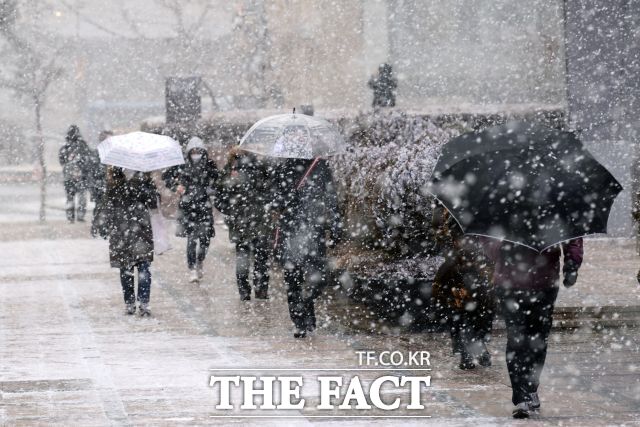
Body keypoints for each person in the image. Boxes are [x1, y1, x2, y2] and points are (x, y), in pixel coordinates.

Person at [485, 238, 583, 419]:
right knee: (516, 337)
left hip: (544, 283)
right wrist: (504, 247)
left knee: (538, 338)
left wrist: (571, 263)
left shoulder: (555, 210)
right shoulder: (506, 210)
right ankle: (520, 396)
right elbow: (489, 242)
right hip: (509, 284)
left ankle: (531, 387)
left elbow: (572, 237)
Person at [271, 157, 342, 338]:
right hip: (290, 231)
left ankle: (306, 306)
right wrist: (286, 198)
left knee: (317, 278)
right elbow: (273, 200)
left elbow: (331, 196)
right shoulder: (281, 167)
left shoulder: (319, 165)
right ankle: (299, 322)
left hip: (313, 230)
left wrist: (335, 226)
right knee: (292, 279)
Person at [432, 206, 495, 369]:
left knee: (479, 313)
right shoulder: (447, 208)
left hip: (480, 269)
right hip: (460, 269)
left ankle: (478, 348)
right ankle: (469, 352)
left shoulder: (483, 207)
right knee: (462, 315)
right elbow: (439, 233)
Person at [214, 149, 274, 300]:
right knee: (249, 256)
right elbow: (220, 196)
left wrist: (263, 202)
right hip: (243, 220)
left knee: (256, 256)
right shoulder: (231, 168)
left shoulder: (260, 166)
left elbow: (271, 189)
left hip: (257, 219)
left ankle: (254, 290)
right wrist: (231, 209)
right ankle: (249, 291)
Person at [103, 166, 159, 316]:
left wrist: (141, 187)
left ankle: (144, 303)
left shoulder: (145, 180)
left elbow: (154, 203)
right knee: (125, 269)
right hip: (122, 232)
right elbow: (108, 205)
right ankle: (129, 302)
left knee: (144, 268)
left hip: (141, 230)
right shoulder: (114, 182)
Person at [163, 137, 218, 282]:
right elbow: (167, 178)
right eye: (193, 151)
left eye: (199, 151)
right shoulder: (181, 166)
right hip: (187, 207)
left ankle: (200, 261)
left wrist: (210, 190)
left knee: (205, 239)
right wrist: (177, 187)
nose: (196, 154)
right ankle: (192, 267)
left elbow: (218, 182)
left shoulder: (210, 165)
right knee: (192, 238)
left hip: (204, 206)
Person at [58, 124, 91, 223]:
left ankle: (70, 217)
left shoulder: (65, 147)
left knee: (70, 197)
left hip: (68, 177)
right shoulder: (83, 146)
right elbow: (88, 160)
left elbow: (61, 161)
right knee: (82, 197)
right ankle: (80, 215)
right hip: (82, 177)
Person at [89, 130, 112, 238]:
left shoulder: (112, 152)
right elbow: (93, 170)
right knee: (99, 207)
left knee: (105, 208)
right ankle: (97, 228)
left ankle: (103, 229)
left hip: (106, 184)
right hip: (99, 185)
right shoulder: (97, 153)